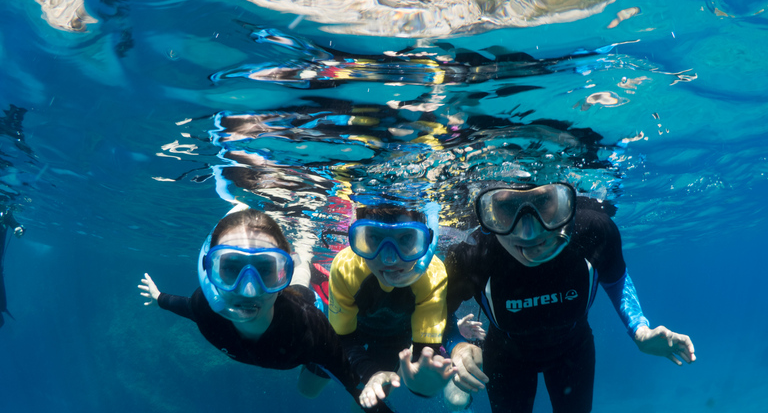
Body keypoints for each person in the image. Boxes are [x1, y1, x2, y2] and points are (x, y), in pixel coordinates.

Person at [444, 181, 695, 413]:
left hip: (573, 351)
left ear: (567, 202)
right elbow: (437, 312)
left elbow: (616, 278)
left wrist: (639, 329)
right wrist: (457, 347)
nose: (529, 233)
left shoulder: (593, 231)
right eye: (508, 207)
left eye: (543, 203)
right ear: (488, 212)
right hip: (505, 358)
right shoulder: (471, 253)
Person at [138, 207, 392, 412]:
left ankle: (302, 259)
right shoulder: (203, 307)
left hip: (303, 303)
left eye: (266, 269)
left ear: (282, 273)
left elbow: (353, 382)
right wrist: (159, 297)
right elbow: (181, 305)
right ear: (209, 272)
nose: (248, 291)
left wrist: (371, 387)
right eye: (230, 267)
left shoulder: (309, 331)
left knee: (301, 287)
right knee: (307, 391)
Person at [327, 201, 456, 408]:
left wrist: (422, 383)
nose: (389, 259)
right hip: (354, 335)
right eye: (374, 238)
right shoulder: (345, 268)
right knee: (308, 389)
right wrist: (370, 372)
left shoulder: (433, 274)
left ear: (425, 241)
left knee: (375, 394)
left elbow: (425, 352)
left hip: (394, 340)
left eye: (405, 238)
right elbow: (342, 338)